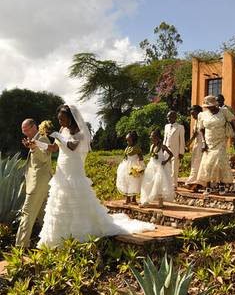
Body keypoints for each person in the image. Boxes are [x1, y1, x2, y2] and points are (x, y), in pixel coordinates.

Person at [37, 105, 155, 249]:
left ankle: (79, 232)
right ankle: (59, 237)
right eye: (59, 119)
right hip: (62, 167)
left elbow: (73, 146)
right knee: (60, 197)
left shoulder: (79, 131)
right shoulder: (62, 130)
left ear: (71, 118)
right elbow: (54, 148)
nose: (60, 122)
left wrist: (59, 136)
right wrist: (36, 145)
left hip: (74, 167)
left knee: (76, 196)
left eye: (63, 119)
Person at [15, 119, 52, 248]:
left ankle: (20, 247)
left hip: (38, 184)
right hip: (40, 183)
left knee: (27, 213)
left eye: (26, 129)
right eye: (23, 130)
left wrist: (34, 148)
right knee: (44, 215)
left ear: (34, 127)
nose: (24, 132)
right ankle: (49, 243)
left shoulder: (43, 139)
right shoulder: (33, 141)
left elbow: (44, 158)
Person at [196, 95, 235, 195]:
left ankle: (221, 185)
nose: (209, 108)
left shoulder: (224, 112)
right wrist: (204, 142)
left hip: (221, 141)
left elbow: (232, 122)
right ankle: (208, 187)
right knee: (208, 164)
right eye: (207, 106)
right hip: (208, 142)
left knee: (220, 162)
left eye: (210, 106)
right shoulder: (202, 115)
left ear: (215, 105)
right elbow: (201, 129)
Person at [140, 129, 175, 207]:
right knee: (148, 183)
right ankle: (146, 201)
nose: (151, 138)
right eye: (151, 136)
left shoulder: (162, 146)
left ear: (158, 137)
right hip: (151, 166)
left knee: (159, 184)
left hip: (160, 167)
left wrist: (165, 161)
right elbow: (152, 156)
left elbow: (171, 154)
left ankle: (160, 202)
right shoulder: (152, 146)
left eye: (153, 136)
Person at [116, 131, 144, 205]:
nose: (127, 142)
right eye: (127, 140)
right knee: (125, 181)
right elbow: (125, 157)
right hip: (126, 166)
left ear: (133, 139)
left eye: (129, 140)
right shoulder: (127, 147)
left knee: (134, 182)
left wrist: (140, 167)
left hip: (134, 166)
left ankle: (133, 198)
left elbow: (141, 158)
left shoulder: (137, 148)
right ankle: (127, 199)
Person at [163, 110, 185, 188]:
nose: (169, 118)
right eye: (168, 116)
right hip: (167, 150)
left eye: (171, 116)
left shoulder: (180, 127)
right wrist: (163, 148)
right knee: (166, 168)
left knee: (174, 169)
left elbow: (182, 141)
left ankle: (174, 184)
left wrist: (181, 152)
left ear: (175, 117)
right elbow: (165, 139)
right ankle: (167, 183)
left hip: (175, 151)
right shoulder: (166, 126)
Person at [186, 105, 205, 191]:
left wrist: (205, 144)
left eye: (193, 113)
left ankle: (193, 182)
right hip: (196, 144)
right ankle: (195, 183)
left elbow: (202, 132)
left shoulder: (203, 120)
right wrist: (189, 143)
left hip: (202, 144)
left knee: (199, 163)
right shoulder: (196, 121)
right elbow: (194, 134)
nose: (192, 115)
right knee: (195, 163)